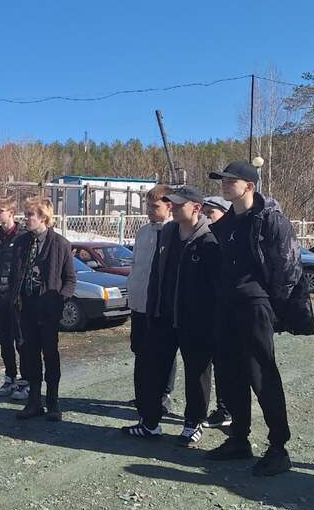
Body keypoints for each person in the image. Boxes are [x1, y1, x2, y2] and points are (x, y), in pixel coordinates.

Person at [206, 161, 302, 476]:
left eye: (230, 180)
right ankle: (239, 439)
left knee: (262, 375)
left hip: (256, 305)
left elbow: (288, 267)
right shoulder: (226, 223)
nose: (224, 185)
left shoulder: (270, 220)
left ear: (248, 185)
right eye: (222, 180)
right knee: (231, 374)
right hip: (226, 306)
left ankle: (278, 448)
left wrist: (275, 308)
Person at [123, 186, 219, 446]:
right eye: (171, 204)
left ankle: (193, 423)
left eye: (178, 205)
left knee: (197, 372)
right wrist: (153, 308)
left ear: (196, 208)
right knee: (154, 369)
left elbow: (215, 287)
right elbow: (156, 274)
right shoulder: (167, 233)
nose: (173, 208)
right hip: (162, 316)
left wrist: (209, 320)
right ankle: (150, 423)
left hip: (194, 321)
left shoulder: (209, 240)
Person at [9, 196, 76, 421]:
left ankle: (53, 403)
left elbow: (70, 280)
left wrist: (58, 301)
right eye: (26, 214)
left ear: (44, 218)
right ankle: (34, 402)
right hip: (26, 308)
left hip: (48, 310)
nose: (25, 219)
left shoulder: (60, 244)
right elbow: (14, 275)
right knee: (29, 355)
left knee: (50, 355)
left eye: (30, 215)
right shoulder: (21, 243)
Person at [126, 185, 177, 414]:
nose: (149, 210)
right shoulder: (143, 232)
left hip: (161, 306)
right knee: (140, 349)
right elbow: (136, 266)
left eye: (154, 206)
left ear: (169, 207)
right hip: (139, 303)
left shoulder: (175, 232)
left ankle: (163, 395)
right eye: (147, 206)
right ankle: (143, 394)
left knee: (164, 353)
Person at [0, 197, 29, 400]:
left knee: (22, 341)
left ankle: (26, 382)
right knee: (5, 342)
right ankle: (10, 378)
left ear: (11, 213)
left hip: (17, 300)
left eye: (0, 210)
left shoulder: (23, 237)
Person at [200, 195, 233, 429]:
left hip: (227, 311)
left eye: (210, 213)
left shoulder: (228, 239)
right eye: (204, 212)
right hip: (209, 311)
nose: (206, 217)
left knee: (226, 364)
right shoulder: (206, 238)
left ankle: (227, 409)